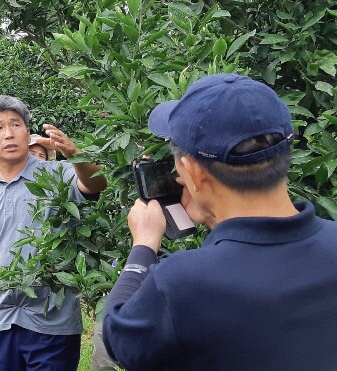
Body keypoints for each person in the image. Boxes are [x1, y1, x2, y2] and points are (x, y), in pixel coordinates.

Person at [102, 73, 337, 370]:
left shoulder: (182, 283)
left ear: (194, 172)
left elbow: (119, 338)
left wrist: (144, 245)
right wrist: (217, 218)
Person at [0, 95, 106, 371]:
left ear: (28, 134)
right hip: (0, 319)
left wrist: (75, 155)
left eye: (16, 125)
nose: (9, 133)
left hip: (52, 320)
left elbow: (97, 184)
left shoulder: (58, 174)